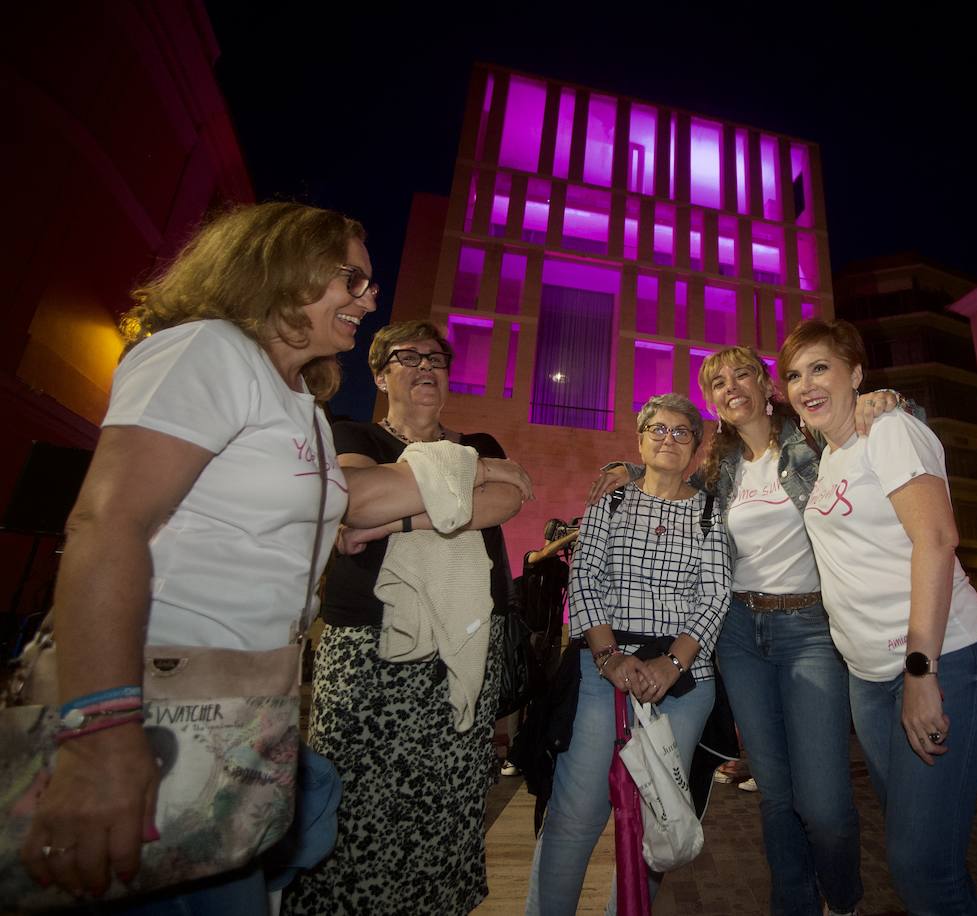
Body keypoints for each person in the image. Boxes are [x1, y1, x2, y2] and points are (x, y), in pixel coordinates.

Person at [18, 202, 383, 912]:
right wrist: (103, 733)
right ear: (283, 267)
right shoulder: (207, 350)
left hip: (242, 705)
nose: (369, 298)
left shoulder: (300, 400)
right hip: (160, 699)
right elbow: (106, 523)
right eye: (353, 279)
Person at [593, 346, 904, 915]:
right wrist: (635, 470)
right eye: (716, 381)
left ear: (766, 385)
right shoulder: (721, 462)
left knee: (826, 804)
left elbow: (882, 444)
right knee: (776, 796)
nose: (729, 386)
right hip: (739, 633)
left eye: (741, 375)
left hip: (809, 628)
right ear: (712, 401)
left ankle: (842, 901)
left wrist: (886, 404)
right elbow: (682, 490)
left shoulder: (812, 439)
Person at [282, 320, 528, 915]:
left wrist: (395, 521)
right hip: (367, 642)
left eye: (437, 358)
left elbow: (508, 496)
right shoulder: (352, 432)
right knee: (356, 800)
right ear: (380, 372)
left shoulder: (480, 441)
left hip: (466, 639)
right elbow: (359, 497)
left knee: (447, 799)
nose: (425, 367)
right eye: (407, 357)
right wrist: (463, 479)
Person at [782, 319, 977, 916]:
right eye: (795, 374)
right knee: (924, 853)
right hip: (869, 679)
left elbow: (936, 540)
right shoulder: (826, 457)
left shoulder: (891, 430)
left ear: (856, 373)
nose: (806, 384)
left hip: (943, 660)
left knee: (920, 867)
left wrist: (920, 670)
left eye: (821, 367)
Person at [526, 394, 730, 915]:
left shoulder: (710, 511)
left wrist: (672, 664)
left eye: (681, 432)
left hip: (683, 680)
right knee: (577, 812)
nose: (668, 439)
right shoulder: (610, 503)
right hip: (603, 672)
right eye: (657, 429)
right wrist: (611, 658)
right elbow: (585, 581)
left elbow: (715, 596)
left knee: (656, 819)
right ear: (640, 440)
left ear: (695, 447)